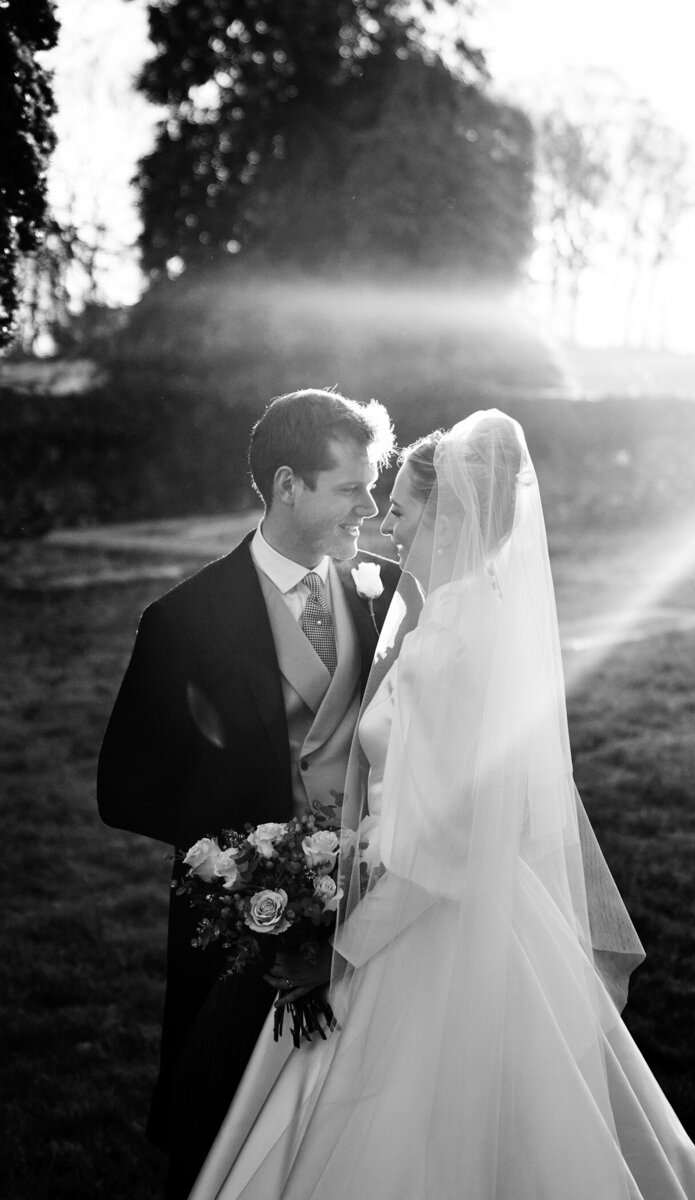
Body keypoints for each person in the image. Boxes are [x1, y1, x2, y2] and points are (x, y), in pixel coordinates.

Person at [187, 410, 695, 1200]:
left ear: (450, 518)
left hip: (422, 927)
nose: (387, 524)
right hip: (467, 906)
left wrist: (338, 952)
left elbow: (442, 839)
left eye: (402, 509)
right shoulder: (463, 612)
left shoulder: (452, 643)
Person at [97, 388, 400, 1200]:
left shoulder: (391, 592)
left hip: (381, 906)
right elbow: (124, 787)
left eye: (372, 486)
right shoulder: (183, 621)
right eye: (350, 488)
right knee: (225, 1123)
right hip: (246, 925)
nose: (369, 507)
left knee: (370, 1116)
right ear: (288, 485)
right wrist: (248, 865)